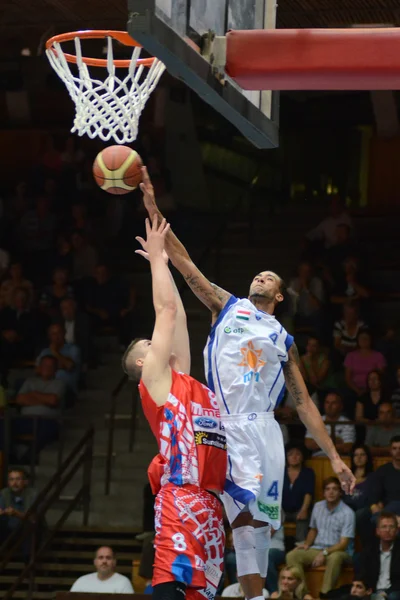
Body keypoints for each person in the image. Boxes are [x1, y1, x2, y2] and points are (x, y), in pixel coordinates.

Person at [139, 167, 355, 600]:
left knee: (254, 525)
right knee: (218, 510)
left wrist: (333, 457)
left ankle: (255, 595)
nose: (260, 277)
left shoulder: (284, 340)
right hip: (220, 423)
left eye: (269, 278)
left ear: (279, 297)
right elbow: (188, 267)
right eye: (257, 275)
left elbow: (306, 404)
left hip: (261, 429)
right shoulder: (227, 306)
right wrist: (154, 209)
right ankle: (192, 578)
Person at [122, 217, 227, 600]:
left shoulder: (181, 378)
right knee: (172, 588)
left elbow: (178, 315)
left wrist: (165, 262)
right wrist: (156, 261)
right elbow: (164, 312)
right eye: (149, 345)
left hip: (212, 503)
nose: (157, 344)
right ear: (139, 364)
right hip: (181, 497)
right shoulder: (153, 381)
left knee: (204, 596)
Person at [286, 477, 355, 597]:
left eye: (335, 489)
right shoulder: (318, 507)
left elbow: (343, 544)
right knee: (292, 555)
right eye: (327, 489)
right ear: (323, 493)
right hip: (318, 548)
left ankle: (324, 595)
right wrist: (307, 544)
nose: (331, 492)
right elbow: (313, 529)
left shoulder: (348, 513)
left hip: (340, 551)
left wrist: (324, 553)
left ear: (340, 492)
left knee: (335, 558)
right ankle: (303, 594)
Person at [14, 355, 66, 453]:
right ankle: (9, 456)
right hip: (25, 420)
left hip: (47, 421)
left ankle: (29, 456)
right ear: (40, 367)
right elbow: (20, 399)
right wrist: (44, 400)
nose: (47, 368)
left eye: (51, 366)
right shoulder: (29, 381)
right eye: (45, 365)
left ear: (55, 369)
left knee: (49, 429)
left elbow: (53, 400)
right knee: (4, 426)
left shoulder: (60, 383)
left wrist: (33, 394)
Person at [359, 512, 400, 600]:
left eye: (391, 527)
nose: (387, 530)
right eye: (384, 527)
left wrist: (385, 593)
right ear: (378, 531)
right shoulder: (369, 550)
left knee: (393, 597)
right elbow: (363, 574)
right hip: (373, 591)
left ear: (397, 531)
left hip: (394, 592)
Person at [0, 468, 37, 557]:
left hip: (25, 531)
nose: (14, 483)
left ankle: (28, 561)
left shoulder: (32, 494)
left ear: (25, 482)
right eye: (11, 480)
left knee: (27, 526)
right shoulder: (4, 493)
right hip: (9, 530)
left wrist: (17, 514)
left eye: (18, 479)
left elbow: (33, 519)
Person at [305, 392, 355, 457]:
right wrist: (335, 440)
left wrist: (320, 442)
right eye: (327, 402)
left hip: (340, 458)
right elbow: (308, 444)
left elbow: (347, 447)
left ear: (341, 406)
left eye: (333, 403)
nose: (329, 406)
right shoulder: (315, 421)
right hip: (318, 458)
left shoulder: (347, 423)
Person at [36, 323, 81, 396]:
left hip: (66, 390)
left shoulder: (73, 349)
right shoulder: (45, 352)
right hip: (46, 387)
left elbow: (69, 366)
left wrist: (55, 352)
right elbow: (37, 370)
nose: (56, 336)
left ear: (64, 333)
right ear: (49, 336)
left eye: (59, 333)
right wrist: (59, 365)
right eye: (53, 334)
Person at [282, 444, 315, 542]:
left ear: (302, 457)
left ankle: (300, 547)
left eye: (298, 454)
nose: (294, 457)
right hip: (282, 510)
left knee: (303, 519)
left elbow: (308, 493)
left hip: (299, 510)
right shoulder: (280, 471)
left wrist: (304, 509)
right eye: (290, 454)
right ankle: (276, 548)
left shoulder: (308, 473)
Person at [345, 331, 386, 399]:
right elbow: (348, 378)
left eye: (366, 338)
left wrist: (369, 389)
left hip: (373, 389)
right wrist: (358, 391)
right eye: (361, 338)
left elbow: (380, 376)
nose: (363, 341)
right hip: (354, 390)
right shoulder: (351, 356)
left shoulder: (378, 356)